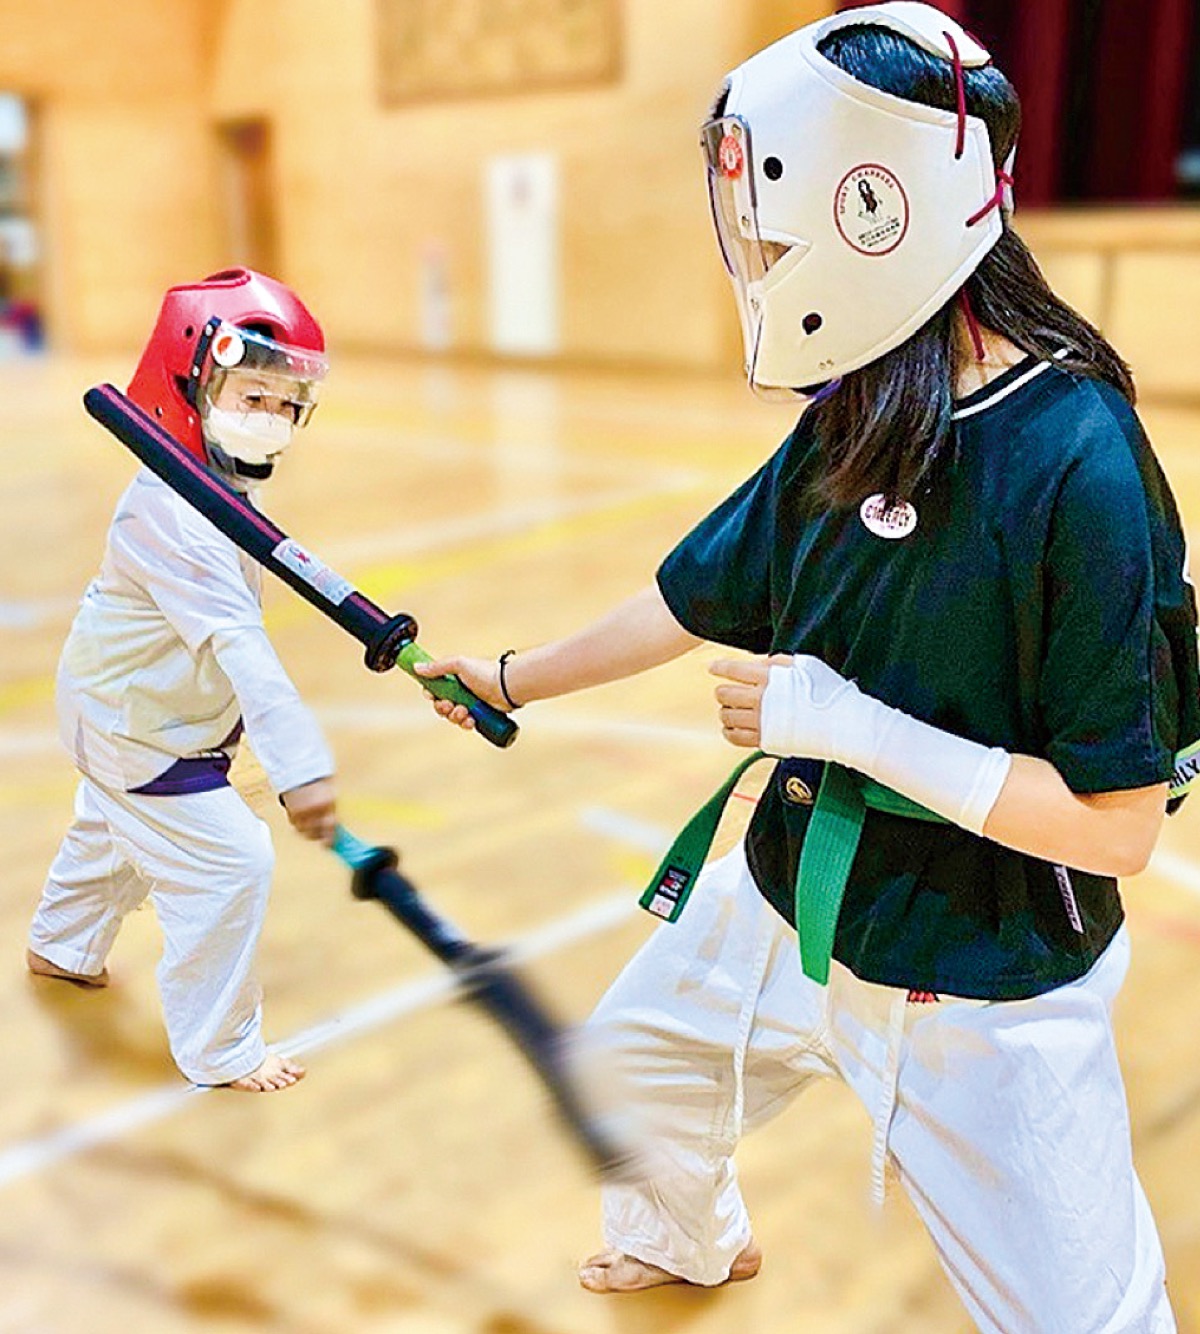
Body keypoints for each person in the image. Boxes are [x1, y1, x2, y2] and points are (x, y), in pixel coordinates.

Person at [417, 4, 1197, 1328]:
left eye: (781, 228)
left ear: (877, 209)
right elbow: (695, 593)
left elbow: (1116, 827)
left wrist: (847, 722)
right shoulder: (863, 404)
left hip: (979, 972)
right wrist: (510, 675)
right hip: (795, 897)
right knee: (626, 1081)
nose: (764, 257)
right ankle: (690, 1239)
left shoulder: (1082, 460)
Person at [28, 268, 338, 1093]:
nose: (270, 420)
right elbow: (241, 647)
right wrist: (301, 767)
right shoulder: (172, 512)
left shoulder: (214, 487)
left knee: (113, 834)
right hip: (135, 727)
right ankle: (221, 1048)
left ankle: (60, 947)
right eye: (252, 397)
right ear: (189, 380)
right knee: (232, 863)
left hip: (121, 707)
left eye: (286, 405)